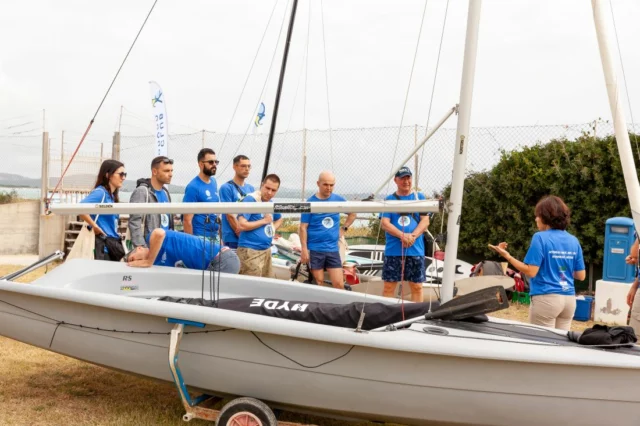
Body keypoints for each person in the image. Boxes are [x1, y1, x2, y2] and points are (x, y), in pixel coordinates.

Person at [490, 195, 586, 331]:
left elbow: (530, 271)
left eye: (538, 215)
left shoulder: (540, 237)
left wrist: (507, 256)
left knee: (541, 345)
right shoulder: (573, 240)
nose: (536, 219)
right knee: (561, 346)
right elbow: (580, 275)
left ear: (546, 217)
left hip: (546, 299)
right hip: (569, 300)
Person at [380, 166, 430, 302]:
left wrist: (412, 236)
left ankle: (415, 316)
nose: (406, 181)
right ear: (396, 180)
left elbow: (425, 221)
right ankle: (387, 315)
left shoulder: (419, 197)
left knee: (417, 287)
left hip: (415, 250)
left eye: (408, 178)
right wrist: (402, 236)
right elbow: (385, 223)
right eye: (402, 178)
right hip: (394, 251)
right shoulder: (389, 199)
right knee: (389, 287)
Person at [300, 171, 356, 289]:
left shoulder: (338, 199)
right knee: (318, 283)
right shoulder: (310, 202)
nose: (329, 188)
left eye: (332, 185)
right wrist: (304, 249)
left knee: (339, 284)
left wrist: (344, 228)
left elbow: (353, 214)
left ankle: (340, 306)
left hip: (332, 249)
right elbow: (303, 227)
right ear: (318, 184)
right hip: (315, 249)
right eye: (325, 184)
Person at [126, 228, 240, 273]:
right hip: (216, 263)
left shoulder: (151, 240)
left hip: (221, 258)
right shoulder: (158, 263)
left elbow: (159, 233)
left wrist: (147, 262)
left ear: (139, 248)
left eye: (132, 259)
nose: (135, 262)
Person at [79, 159, 127, 262]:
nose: (123, 178)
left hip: (112, 247)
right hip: (102, 248)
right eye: (121, 174)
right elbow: (80, 209)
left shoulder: (111, 196)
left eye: (125, 174)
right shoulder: (100, 193)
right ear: (108, 175)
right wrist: (95, 226)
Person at [237, 174, 283, 278]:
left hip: (266, 250)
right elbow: (242, 225)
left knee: (267, 284)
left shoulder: (270, 203)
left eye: (273, 190)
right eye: (267, 188)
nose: (269, 192)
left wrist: (272, 228)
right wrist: (264, 221)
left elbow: (279, 219)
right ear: (262, 185)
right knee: (251, 286)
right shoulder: (251, 200)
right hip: (250, 251)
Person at [128, 156, 174, 249]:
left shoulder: (165, 192)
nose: (170, 174)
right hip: (149, 248)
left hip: (165, 248)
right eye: (166, 171)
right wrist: (141, 247)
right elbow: (134, 222)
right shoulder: (142, 191)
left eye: (171, 170)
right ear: (154, 172)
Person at [219, 155, 255, 250]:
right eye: (243, 166)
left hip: (247, 237)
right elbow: (229, 215)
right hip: (232, 238)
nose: (247, 169)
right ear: (234, 167)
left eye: (248, 166)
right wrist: (241, 235)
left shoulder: (250, 189)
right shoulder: (226, 188)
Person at [183, 148, 219, 238]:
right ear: (201, 164)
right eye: (211, 162)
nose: (214, 165)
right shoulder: (193, 187)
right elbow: (187, 220)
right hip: (200, 237)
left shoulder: (213, 182)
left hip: (214, 237)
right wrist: (191, 244)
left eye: (216, 162)